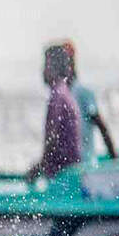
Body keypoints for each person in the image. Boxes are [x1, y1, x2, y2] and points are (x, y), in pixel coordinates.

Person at [26, 44, 82, 181]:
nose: (42, 71)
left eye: (45, 65)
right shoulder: (65, 93)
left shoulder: (57, 96)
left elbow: (52, 140)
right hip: (72, 172)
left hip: (63, 177)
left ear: (53, 68)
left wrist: (38, 169)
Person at [63, 41, 118, 161]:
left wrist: (114, 159)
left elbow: (101, 125)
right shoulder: (60, 96)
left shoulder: (83, 92)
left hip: (86, 165)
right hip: (69, 167)